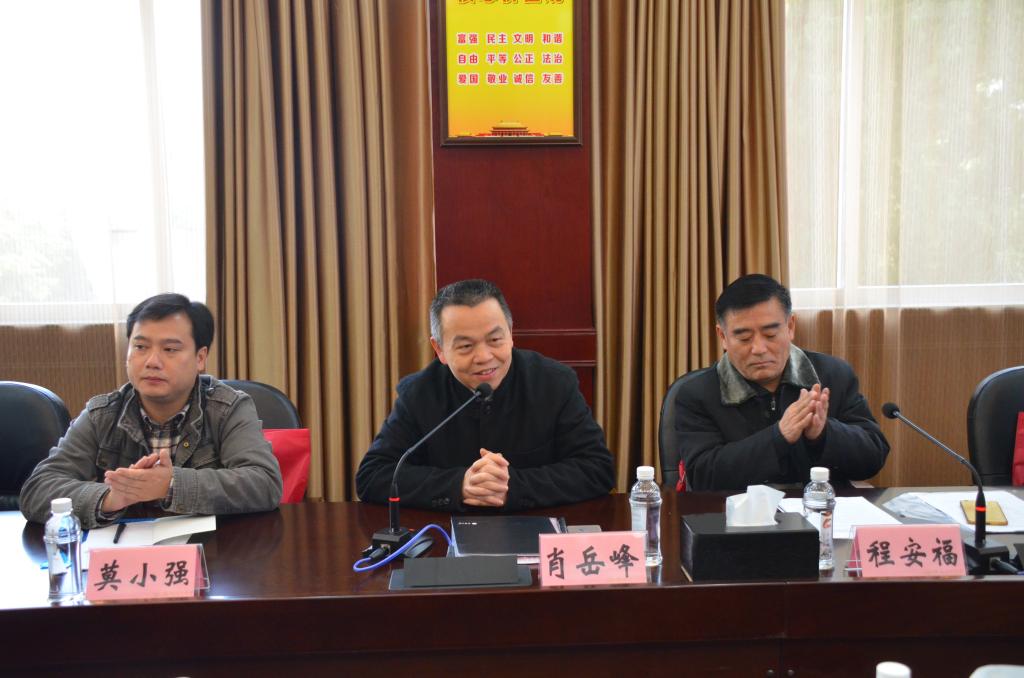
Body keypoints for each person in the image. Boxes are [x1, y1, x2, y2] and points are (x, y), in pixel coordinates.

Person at [20, 294, 283, 527]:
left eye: (170, 349)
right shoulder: (102, 414)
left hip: (213, 554)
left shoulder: (227, 408)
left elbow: (264, 483)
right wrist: (110, 497)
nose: (152, 361)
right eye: (141, 347)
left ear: (200, 358)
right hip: (126, 558)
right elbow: (38, 490)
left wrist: (171, 484)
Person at [356, 279, 615, 511]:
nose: (483, 357)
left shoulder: (554, 383)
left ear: (510, 335)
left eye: (494, 340)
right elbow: (373, 476)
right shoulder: (418, 394)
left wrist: (512, 486)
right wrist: (459, 484)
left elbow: (597, 468)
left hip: (536, 531)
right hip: (444, 535)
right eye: (466, 346)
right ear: (439, 349)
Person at [671, 274, 889, 491]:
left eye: (770, 334)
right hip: (738, 512)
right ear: (723, 337)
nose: (759, 349)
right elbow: (702, 476)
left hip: (820, 509)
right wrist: (778, 437)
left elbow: (873, 457)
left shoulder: (832, 375)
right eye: (744, 338)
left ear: (790, 326)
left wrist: (824, 433)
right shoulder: (697, 394)